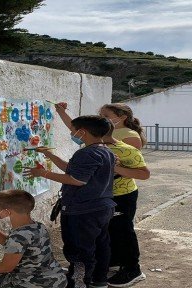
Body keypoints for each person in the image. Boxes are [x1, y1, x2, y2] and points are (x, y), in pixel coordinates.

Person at [56, 103, 150, 287]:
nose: (102, 117)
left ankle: (132, 269)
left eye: (105, 115)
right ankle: (106, 267)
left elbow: (143, 173)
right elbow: (77, 129)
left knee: (122, 231)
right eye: (100, 115)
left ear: (121, 116)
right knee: (106, 234)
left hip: (121, 194)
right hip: (103, 195)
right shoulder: (97, 136)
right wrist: (61, 112)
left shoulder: (129, 138)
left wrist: (111, 167)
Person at [24, 115, 116, 288]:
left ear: (82, 132)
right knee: (100, 245)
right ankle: (99, 280)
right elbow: (72, 170)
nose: (72, 134)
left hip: (83, 211)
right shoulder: (105, 151)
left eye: (73, 131)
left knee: (79, 251)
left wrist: (43, 173)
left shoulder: (86, 153)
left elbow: (76, 180)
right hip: (100, 208)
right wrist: (48, 154)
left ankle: (79, 283)